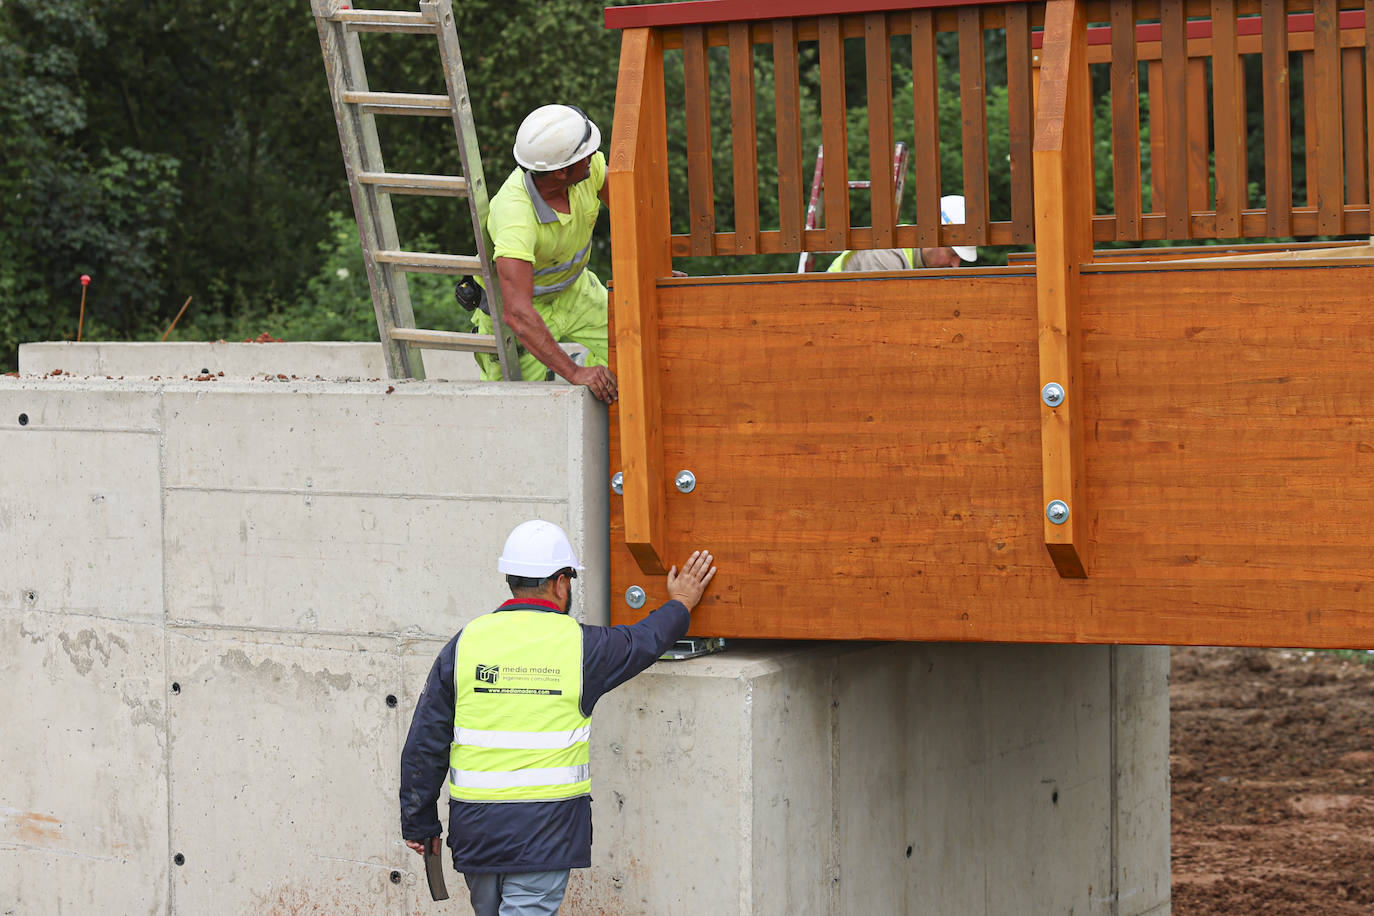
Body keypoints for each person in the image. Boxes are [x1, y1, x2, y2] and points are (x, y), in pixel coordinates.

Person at [400, 519, 718, 915]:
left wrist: (420, 823)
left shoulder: (466, 643)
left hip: (477, 831)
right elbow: (645, 640)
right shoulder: (583, 648)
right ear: (561, 583)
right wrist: (681, 602)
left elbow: (424, 743)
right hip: (545, 833)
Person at [469, 104, 618, 405]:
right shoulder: (515, 215)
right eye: (584, 155)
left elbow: (634, 212)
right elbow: (517, 312)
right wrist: (576, 372)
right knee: (522, 412)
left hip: (575, 294)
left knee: (633, 353)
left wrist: (657, 265)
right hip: (525, 315)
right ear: (561, 171)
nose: (593, 157)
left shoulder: (588, 171)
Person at [826, 194, 978, 272]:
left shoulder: (915, 259)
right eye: (952, 254)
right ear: (931, 238)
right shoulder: (885, 254)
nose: (955, 265)